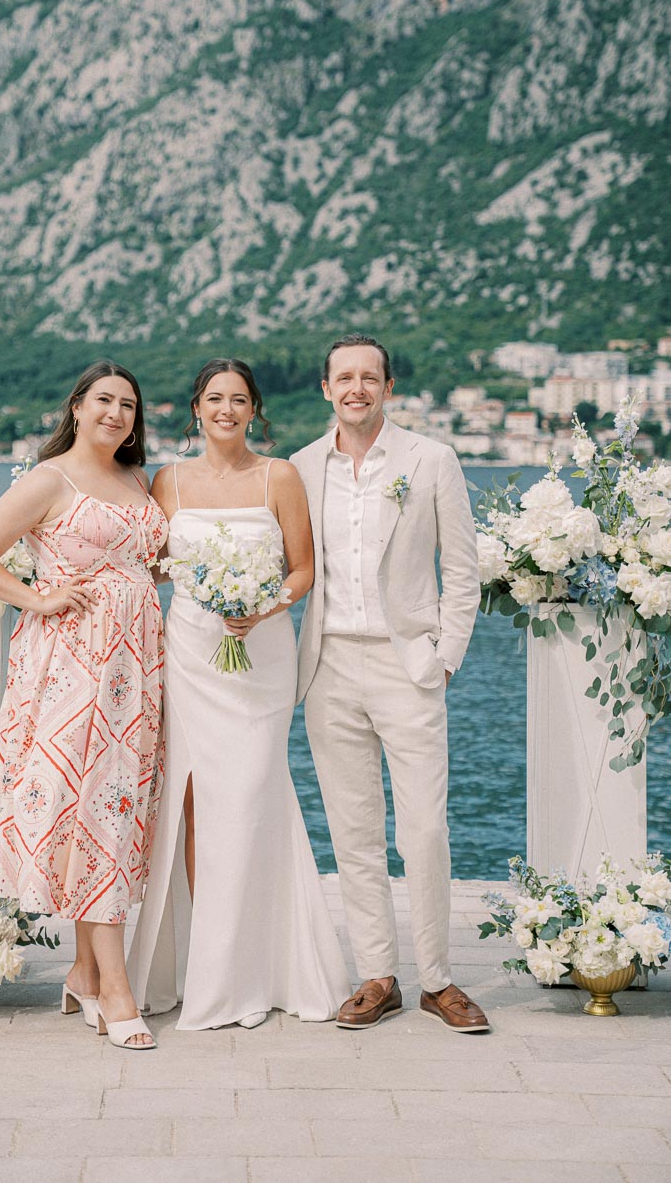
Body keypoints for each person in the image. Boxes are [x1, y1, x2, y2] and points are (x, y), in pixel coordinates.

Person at [127, 358, 351, 1030]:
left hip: (261, 656)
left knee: (253, 797)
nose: (227, 409)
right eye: (214, 398)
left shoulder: (278, 476)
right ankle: (207, 968)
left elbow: (304, 567)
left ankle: (259, 969)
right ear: (196, 407)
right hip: (192, 652)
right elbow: (154, 567)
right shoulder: (168, 480)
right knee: (197, 805)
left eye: (240, 399)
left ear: (256, 410)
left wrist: (263, 601)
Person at [0, 360, 167, 1050]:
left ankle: (81, 970)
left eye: (128, 405)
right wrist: (39, 599)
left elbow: (145, 562)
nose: (116, 413)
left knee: (111, 813)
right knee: (97, 810)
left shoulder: (138, 481)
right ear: (76, 407)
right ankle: (115, 986)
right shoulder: (50, 479)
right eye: (103, 400)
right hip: (75, 670)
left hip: (138, 669)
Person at [290, 334, 489, 1034]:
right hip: (329, 666)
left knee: (426, 829)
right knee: (353, 832)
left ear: (388, 388)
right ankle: (379, 976)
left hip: (409, 666)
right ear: (326, 388)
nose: (356, 388)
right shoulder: (301, 466)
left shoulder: (432, 460)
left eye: (369, 377)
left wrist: (445, 654)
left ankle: (438, 979)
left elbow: (463, 570)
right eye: (344, 377)